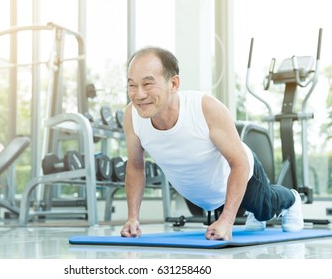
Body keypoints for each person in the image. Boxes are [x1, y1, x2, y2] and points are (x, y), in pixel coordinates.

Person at [120, 46, 304, 241]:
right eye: (132, 85)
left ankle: (291, 198)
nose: (139, 95)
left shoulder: (205, 108)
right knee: (246, 211)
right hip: (202, 192)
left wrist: (227, 220)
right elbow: (135, 165)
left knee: (264, 209)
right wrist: (133, 218)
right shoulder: (132, 116)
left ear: (173, 84)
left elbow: (239, 163)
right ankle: (252, 212)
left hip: (241, 173)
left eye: (148, 84)